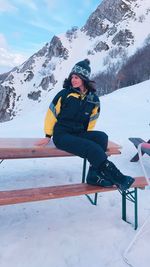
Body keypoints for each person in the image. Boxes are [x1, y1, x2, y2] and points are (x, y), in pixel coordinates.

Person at [37, 59, 135, 192]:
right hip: (62, 135)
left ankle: (93, 175)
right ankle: (118, 177)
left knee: (102, 137)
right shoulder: (65, 94)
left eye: (76, 77)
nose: (73, 80)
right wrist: (48, 135)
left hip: (78, 132)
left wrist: (86, 136)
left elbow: (92, 119)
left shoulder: (93, 99)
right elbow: (51, 114)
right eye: (72, 77)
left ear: (84, 78)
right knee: (92, 148)